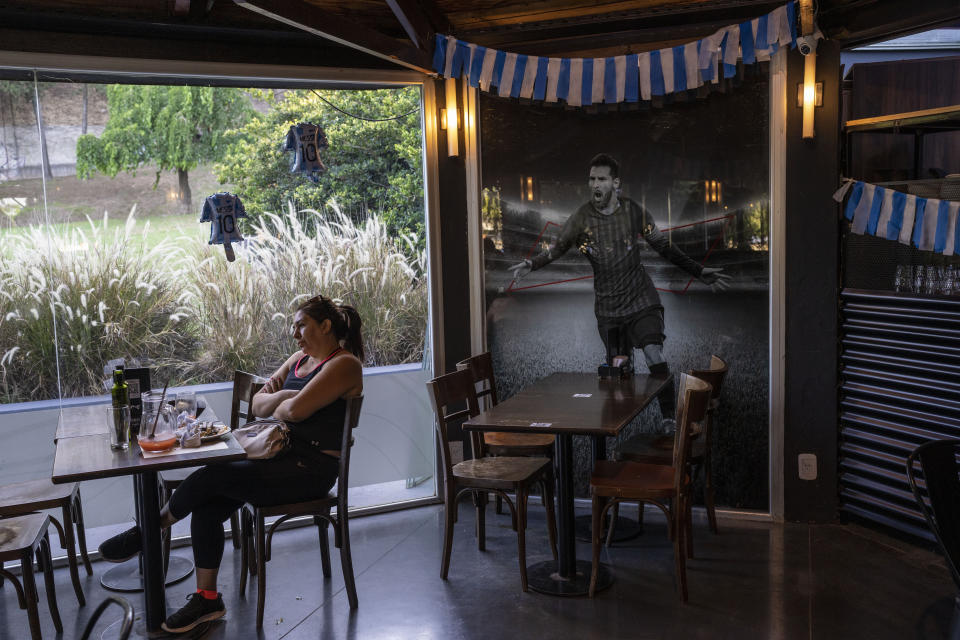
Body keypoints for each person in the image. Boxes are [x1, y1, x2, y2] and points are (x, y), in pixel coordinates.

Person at [98, 295, 364, 633]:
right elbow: (259, 402)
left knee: (212, 476)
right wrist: (285, 397)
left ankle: (150, 530)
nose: (294, 334)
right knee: (207, 504)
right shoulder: (299, 360)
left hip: (309, 471)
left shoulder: (344, 364)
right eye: (294, 327)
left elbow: (295, 413)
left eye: (301, 326)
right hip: (276, 459)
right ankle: (207, 599)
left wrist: (284, 402)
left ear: (325, 326)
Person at [509, 153, 729, 422]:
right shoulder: (581, 218)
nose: (595, 185)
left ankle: (670, 419)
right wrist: (531, 264)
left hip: (641, 300)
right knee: (619, 366)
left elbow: (663, 247)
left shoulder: (633, 211)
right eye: (591, 179)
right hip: (608, 308)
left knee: (652, 351)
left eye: (601, 179)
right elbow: (557, 248)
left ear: (615, 183)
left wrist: (698, 271)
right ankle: (621, 423)